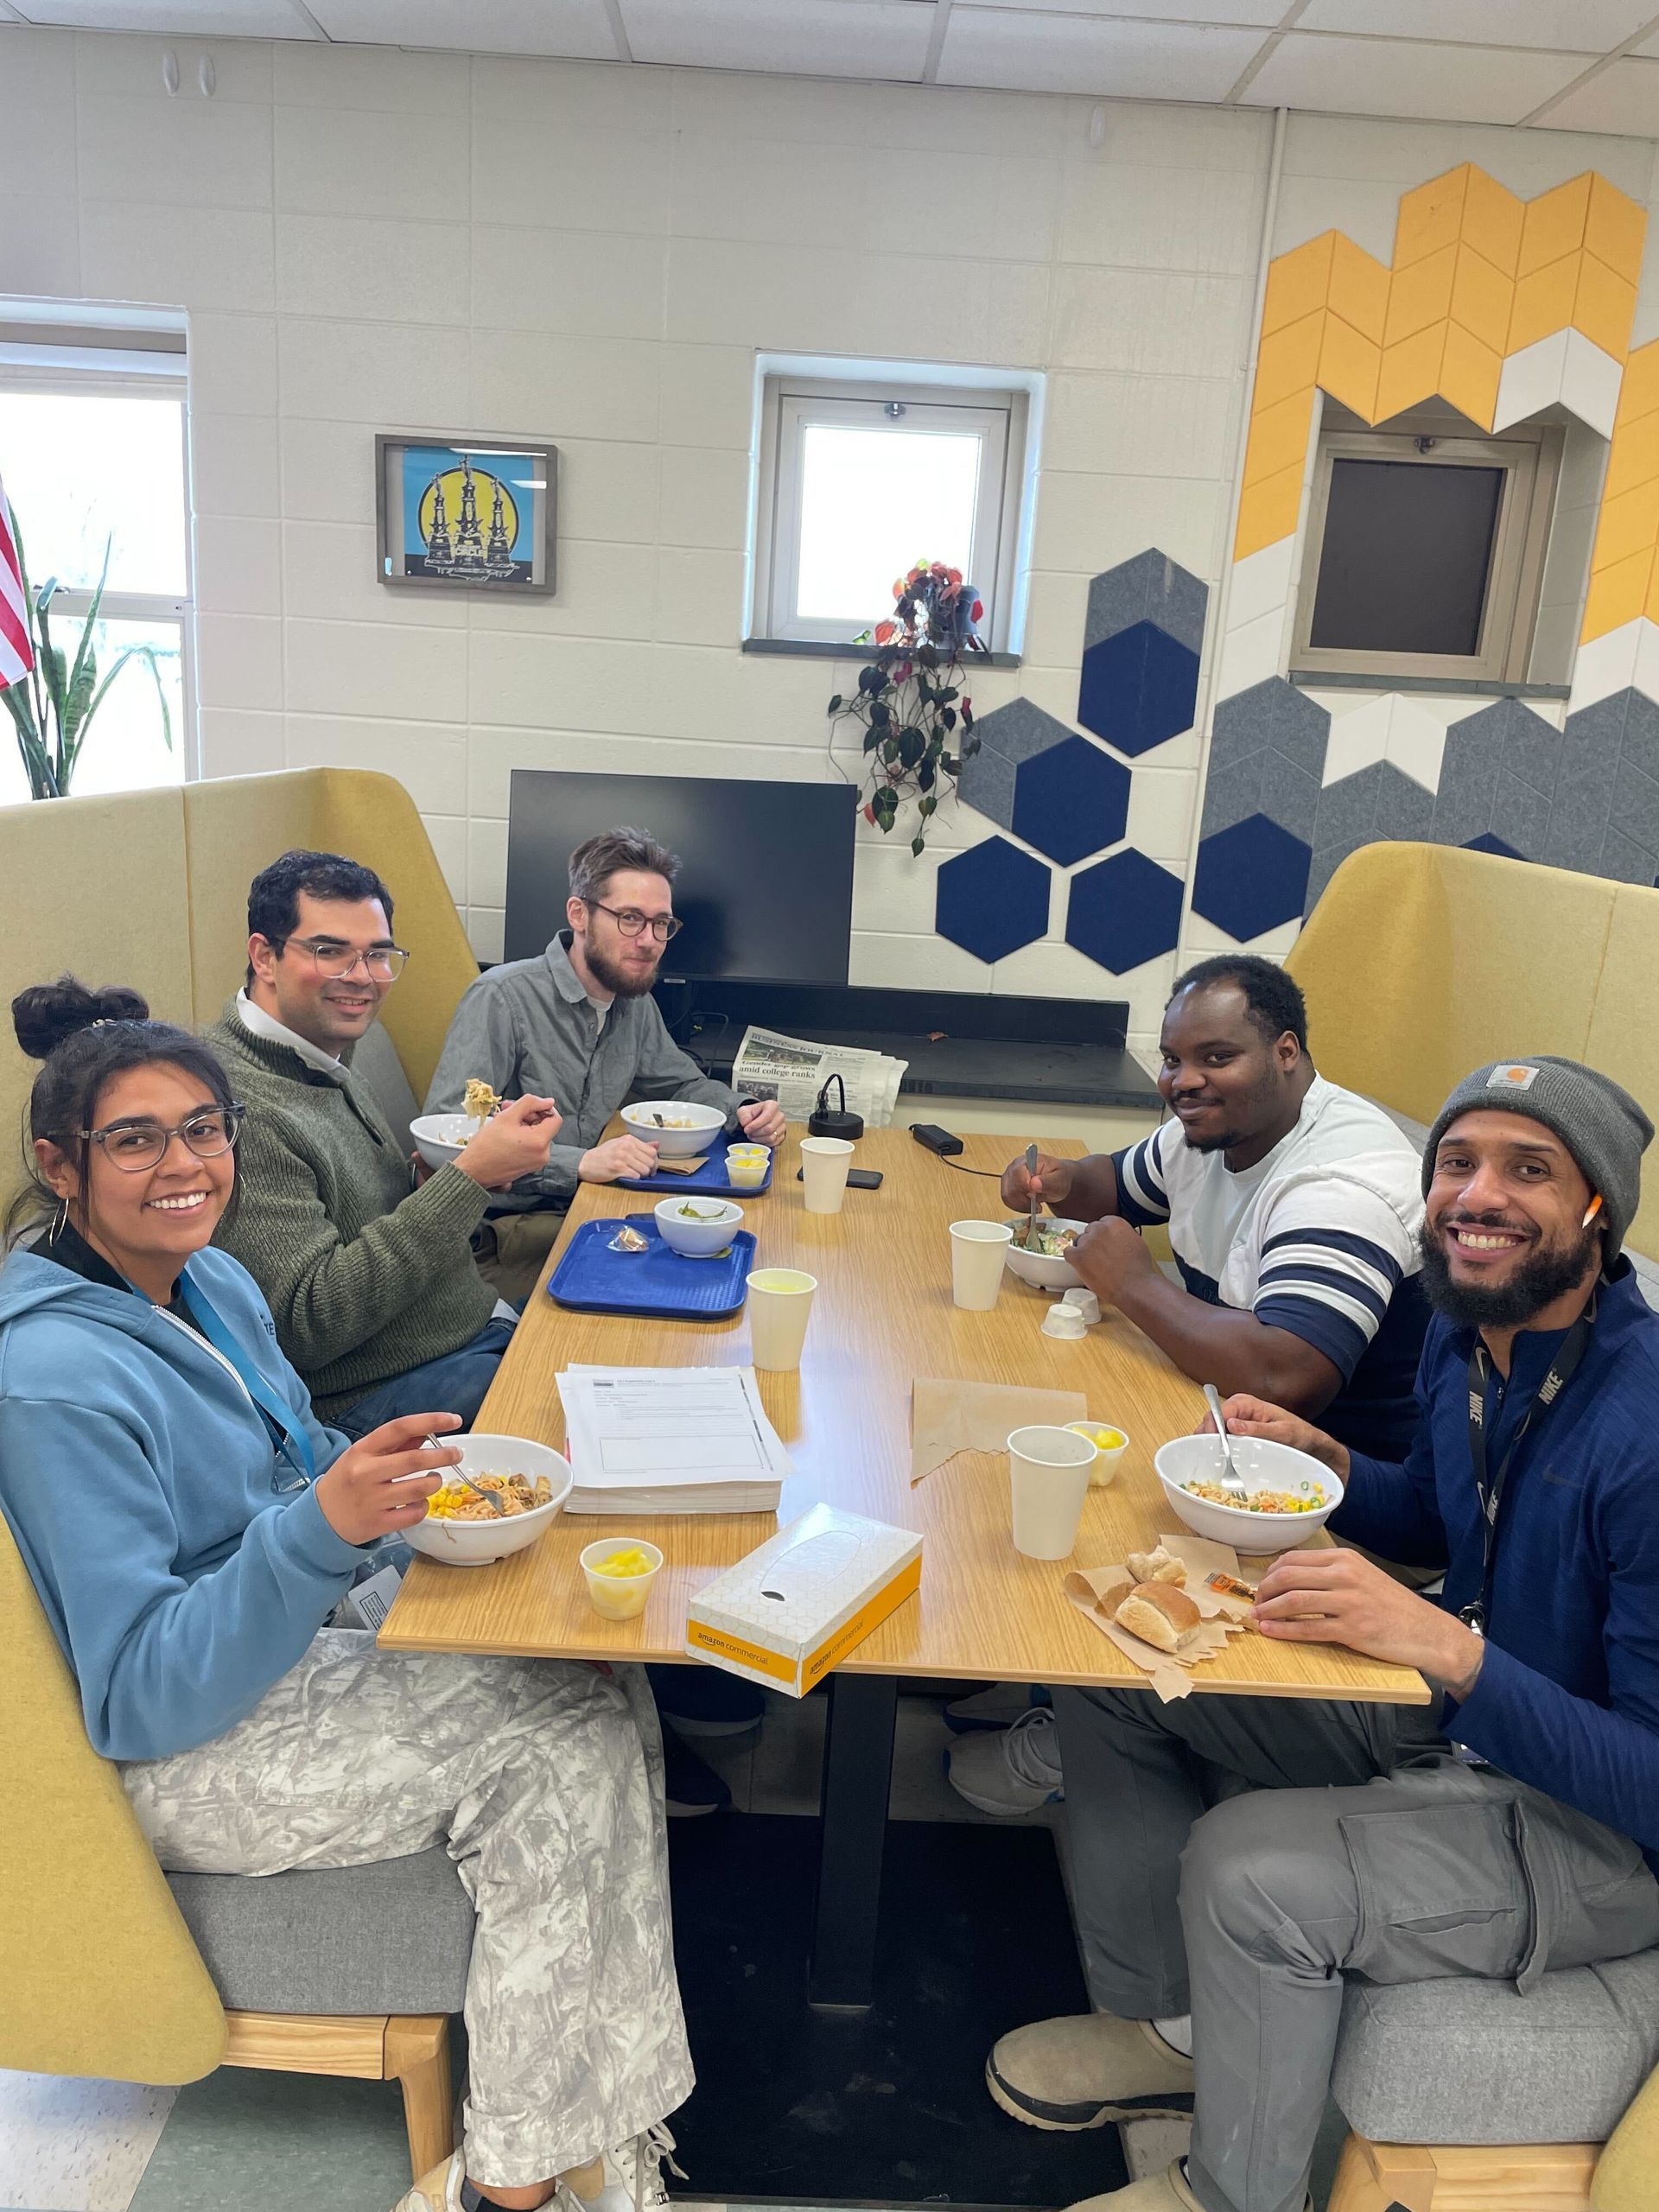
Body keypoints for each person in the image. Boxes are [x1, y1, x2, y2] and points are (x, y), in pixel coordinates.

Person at [0, 979, 692, 2212]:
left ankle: (591, 2120)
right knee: (564, 1741)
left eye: (204, 1128)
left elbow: (296, 1459)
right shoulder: (52, 1379)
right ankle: (516, 2182)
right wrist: (324, 1528)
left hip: (284, 1640)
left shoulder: (211, 1283)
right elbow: (139, 1695)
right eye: (135, 1139)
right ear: (62, 1166)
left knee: (589, 1655)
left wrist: (407, 1493)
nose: (185, 1165)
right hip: (173, 1749)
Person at [984, 1055, 1659, 2212]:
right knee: (1118, 1665)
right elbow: (1443, 1515)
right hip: (1457, 1717)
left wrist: (1449, 1650)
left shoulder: (1642, 1428)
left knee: (1251, 1870)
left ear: (1599, 1208)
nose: (1476, 1197)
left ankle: (1235, 2195)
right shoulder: (1469, 1330)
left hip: (1602, 1836)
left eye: (1528, 1171)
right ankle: (1174, 2030)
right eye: (1457, 1163)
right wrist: (1332, 1461)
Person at [952, 957, 1433, 1815]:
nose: (1185, 1081)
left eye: (1216, 1057)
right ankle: (1050, 1682)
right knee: (1020, 1471)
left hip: (1339, 1508)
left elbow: (1288, 1376)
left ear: (1286, 1052)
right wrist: (1055, 1178)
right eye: (1173, 1060)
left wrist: (1133, 1283)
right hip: (1225, 1443)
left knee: (1079, 1515)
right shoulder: (1214, 1129)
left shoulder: (1341, 1182)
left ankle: (1086, 1721)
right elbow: (1117, 1181)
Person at [207, 849, 560, 1436]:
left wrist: (431, 1183)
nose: (363, 976)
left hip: (465, 1329)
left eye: (377, 954)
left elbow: (361, 1218)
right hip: (370, 1394)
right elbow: (307, 1325)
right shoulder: (238, 1106)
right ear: (264, 956)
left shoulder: (323, 1049)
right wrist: (464, 1181)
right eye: (329, 951)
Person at [425, 826, 787, 1303]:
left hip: (588, 1211)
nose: (650, 941)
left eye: (662, 924)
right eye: (630, 919)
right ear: (579, 914)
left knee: (741, 1268)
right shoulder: (501, 997)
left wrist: (743, 1110)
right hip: (500, 1238)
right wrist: (580, 1163)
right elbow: (448, 1141)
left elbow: (681, 1084)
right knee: (669, 1301)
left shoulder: (633, 1003)